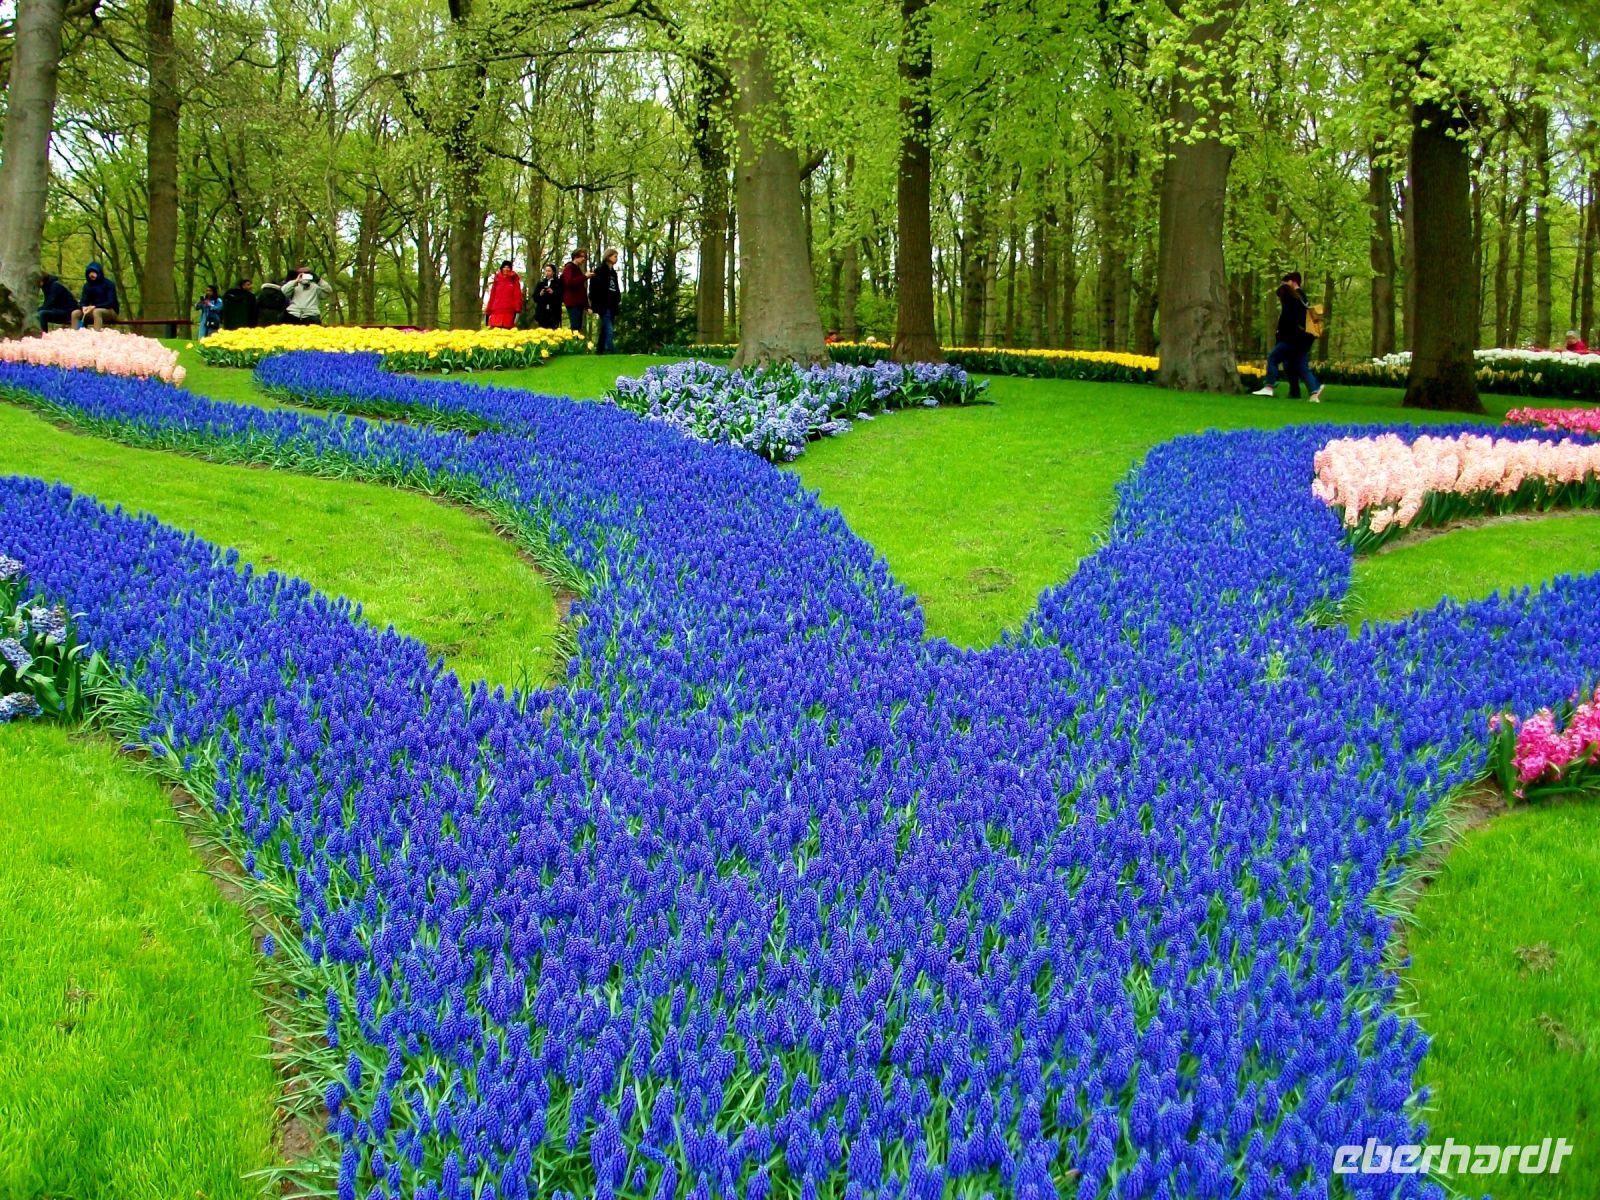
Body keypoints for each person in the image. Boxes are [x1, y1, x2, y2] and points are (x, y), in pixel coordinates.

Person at [1252, 270, 1322, 403]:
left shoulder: (1292, 299)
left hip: (1291, 339)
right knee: (1301, 367)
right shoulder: (1302, 299)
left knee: (1273, 358)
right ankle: (1314, 392)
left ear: (1292, 282)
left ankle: (1269, 387)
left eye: (1285, 283)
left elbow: (1288, 320)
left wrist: (1279, 333)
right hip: (1303, 340)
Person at [589, 249, 622, 353]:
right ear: (608, 256)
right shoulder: (599, 270)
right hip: (603, 303)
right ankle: (611, 349)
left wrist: (618, 298)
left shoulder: (613, 273)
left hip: (612, 303)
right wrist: (593, 302)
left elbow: (615, 287)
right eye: (614, 256)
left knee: (605, 328)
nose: (616, 259)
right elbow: (593, 288)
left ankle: (599, 350)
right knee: (609, 327)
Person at [71, 261, 119, 330]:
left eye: (93, 272)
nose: (91, 275)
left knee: (97, 311)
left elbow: (110, 302)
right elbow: (83, 301)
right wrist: (83, 307)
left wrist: (95, 306)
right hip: (92, 311)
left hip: (110, 311)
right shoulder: (87, 286)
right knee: (75, 313)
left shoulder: (109, 284)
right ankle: (74, 335)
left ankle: (96, 335)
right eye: (89, 273)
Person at [483, 260, 523, 329]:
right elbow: (492, 296)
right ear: (502, 268)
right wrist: (488, 311)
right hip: (496, 312)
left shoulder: (514, 279)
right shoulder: (497, 279)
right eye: (504, 267)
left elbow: (517, 296)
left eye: (508, 267)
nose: (506, 269)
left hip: (508, 313)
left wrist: (517, 310)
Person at [560, 250, 590, 334]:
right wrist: (584, 277)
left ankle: (575, 343)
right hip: (572, 301)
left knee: (578, 326)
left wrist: (587, 306)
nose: (584, 259)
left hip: (578, 302)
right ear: (575, 257)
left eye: (585, 257)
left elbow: (581, 289)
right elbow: (569, 282)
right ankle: (572, 344)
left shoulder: (577, 269)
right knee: (575, 325)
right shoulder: (569, 267)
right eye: (582, 257)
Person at [532, 264, 562, 329]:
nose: (547, 273)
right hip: (542, 313)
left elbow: (561, 297)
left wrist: (553, 292)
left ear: (553, 272)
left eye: (549, 271)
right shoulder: (541, 283)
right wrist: (540, 294)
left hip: (554, 313)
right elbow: (535, 298)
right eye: (546, 271)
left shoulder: (558, 283)